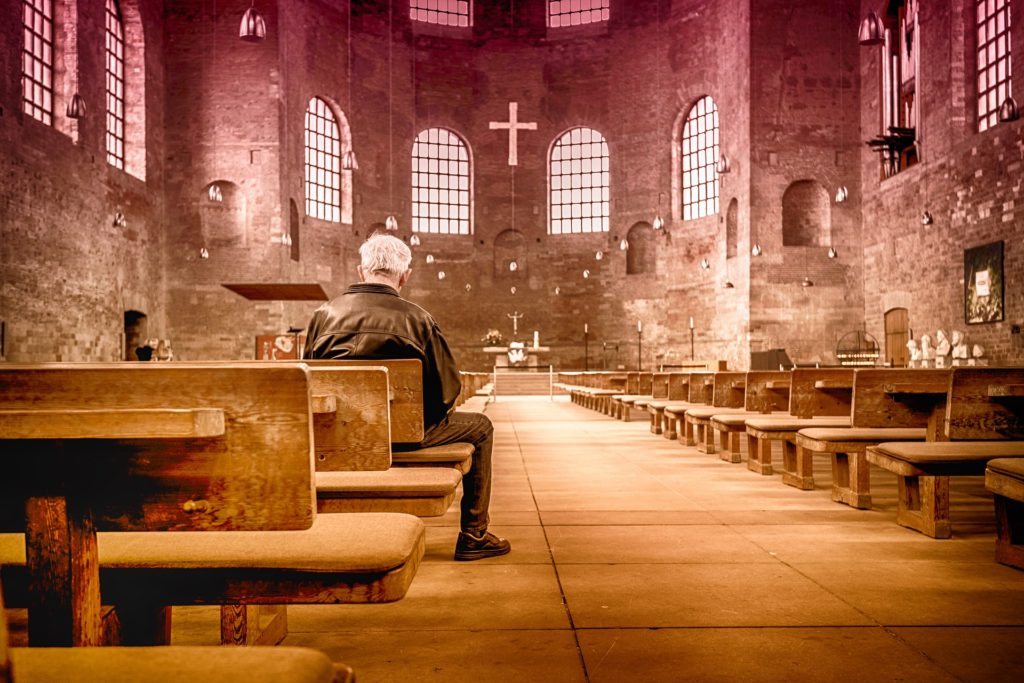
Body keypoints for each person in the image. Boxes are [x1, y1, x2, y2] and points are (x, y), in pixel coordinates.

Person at [303, 233, 511, 561]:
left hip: (341, 439)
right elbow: (447, 392)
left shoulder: (322, 316)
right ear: (405, 275)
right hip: (406, 438)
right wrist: (410, 422)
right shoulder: (418, 318)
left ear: (361, 271)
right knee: (481, 427)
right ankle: (474, 534)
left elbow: (310, 385)